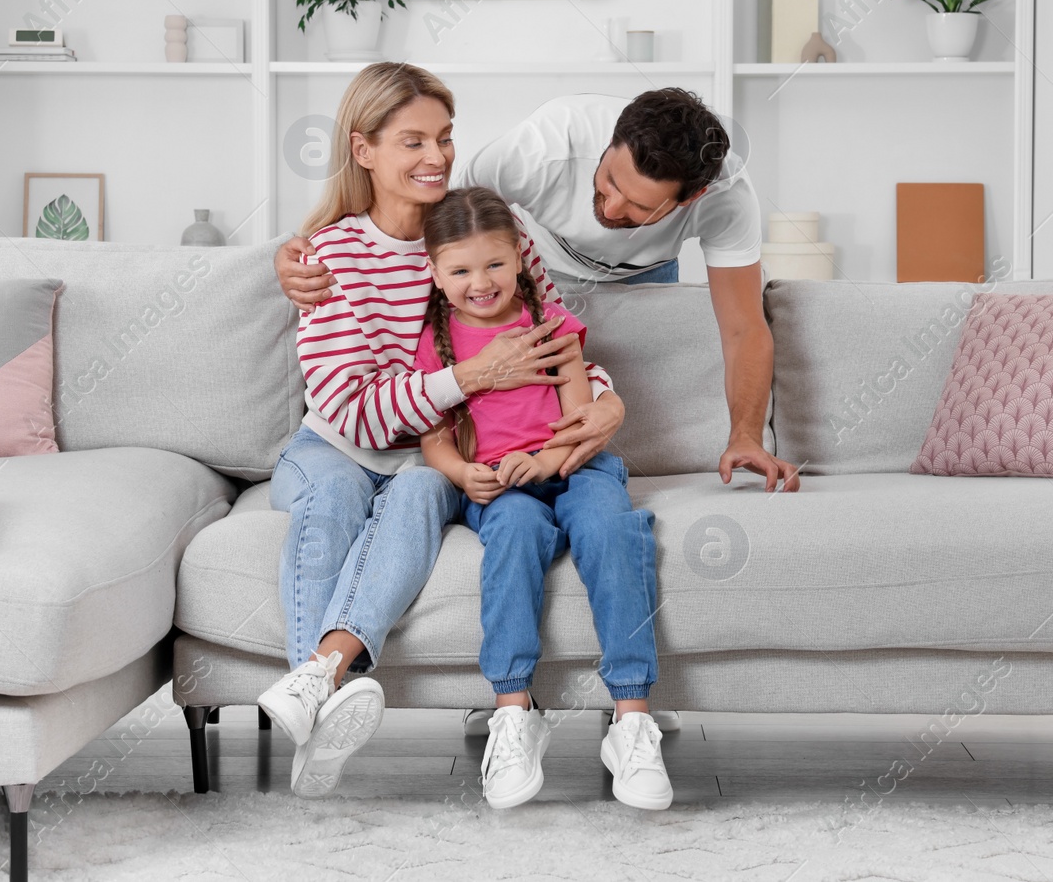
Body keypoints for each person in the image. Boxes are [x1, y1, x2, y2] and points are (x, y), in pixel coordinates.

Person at [255, 63, 622, 798]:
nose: (437, 156)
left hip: (423, 458)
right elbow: (353, 409)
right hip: (334, 446)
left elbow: (550, 340)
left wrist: (606, 401)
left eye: (446, 139)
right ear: (363, 150)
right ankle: (319, 690)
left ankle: (317, 686)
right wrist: (475, 377)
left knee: (421, 488)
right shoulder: (331, 255)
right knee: (330, 505)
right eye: (412, 141)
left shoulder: (479, 234)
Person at [276, 88, 801, 495]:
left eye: (640, 208)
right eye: (608, 182)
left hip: (643, 270)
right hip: (533, 265)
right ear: (606, 144)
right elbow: (451, 239)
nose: (613, 209)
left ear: (695, 198)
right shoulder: (541, 148)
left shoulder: (727, 201)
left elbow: (743, 328)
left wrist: (746, 435)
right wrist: (306, 247)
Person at [414, 187, 671, 811]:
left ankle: (632, 722)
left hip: (575, 466)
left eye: (495, 264)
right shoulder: (437, 341)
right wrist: (460, 473)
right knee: (517, 535)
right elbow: (435, 438)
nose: (481, 281)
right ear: (436, 272)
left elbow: (581, 419)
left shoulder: (551, 328)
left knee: (611, 530)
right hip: (503, 483)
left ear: (520, 259)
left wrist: (547, 460)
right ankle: (512, 715)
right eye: (462, 269)